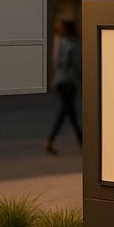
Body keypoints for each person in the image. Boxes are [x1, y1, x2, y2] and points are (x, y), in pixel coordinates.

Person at [45, 19, 82, 155]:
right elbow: (78, 65)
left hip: (60, 82)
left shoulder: (60, 44)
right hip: (70, 82)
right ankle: (50, 139)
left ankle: (81, 139)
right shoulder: (74, 45)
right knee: (65, 111)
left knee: (70, 112)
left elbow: (55, 63)